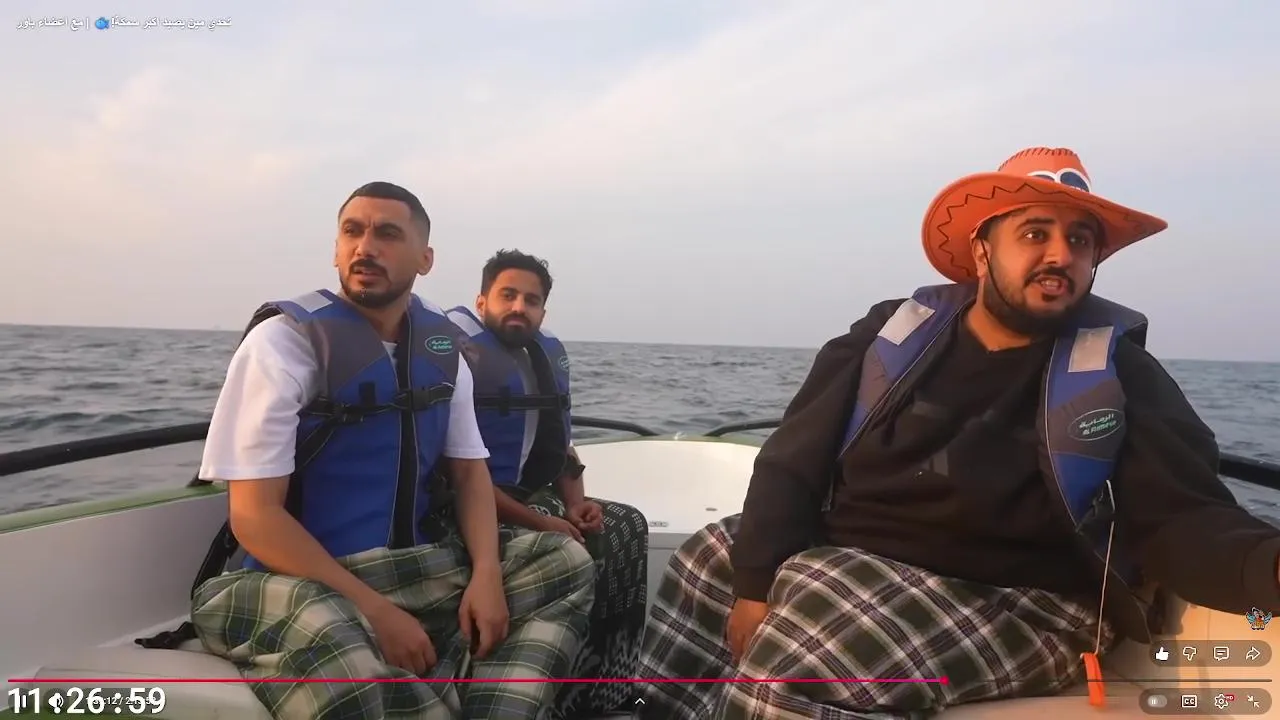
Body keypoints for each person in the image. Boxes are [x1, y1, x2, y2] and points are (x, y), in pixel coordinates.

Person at [637, 147, 1280, 719]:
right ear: (981, 251)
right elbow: (793, 459)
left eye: (1081, 241)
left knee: (808, 639)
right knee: (712, 555)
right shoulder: (892, 334)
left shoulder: (1121, 373)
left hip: (1027, 603)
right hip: (863, 561)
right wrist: (754, 586)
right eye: (1035, 233)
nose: (1061, 255)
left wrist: (1263, 567)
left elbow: (1183, 515)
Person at [186, 183, 595, 720]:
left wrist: (487, 576)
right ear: (336, 250)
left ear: (425, 259)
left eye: (387, 234)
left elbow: (470, 478)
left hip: (409, 566)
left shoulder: (442, 350)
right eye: (352, 232)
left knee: (564, 561)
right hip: (296, 578)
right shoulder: (283, 344)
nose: (365, 247)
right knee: (342, 653)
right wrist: (377, 613)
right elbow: (254, 517)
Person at [445, 249, 650, 720]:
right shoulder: (456, 359)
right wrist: (545, 522)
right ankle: (549, 697)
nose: (519, 307)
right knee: (572, 546)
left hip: (535, 496)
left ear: (542, 311)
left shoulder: (543, 355)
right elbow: (459, 476)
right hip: (475, 502)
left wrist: (577, 504)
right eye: (508, 295)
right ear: (482, 301)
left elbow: (560, 444)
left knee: (626, 525)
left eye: (531, 300)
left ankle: (606, 687)